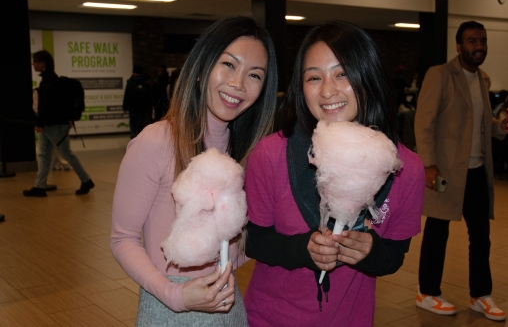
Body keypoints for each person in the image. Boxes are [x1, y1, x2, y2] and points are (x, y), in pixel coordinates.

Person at [244, 21, 424, 327]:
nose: (328, 91)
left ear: (368, 75)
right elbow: (255, 241)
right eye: (314, 77)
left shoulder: (405, 168)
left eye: (342, 74)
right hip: (268, 318)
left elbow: (394, 256)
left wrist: (371, 252)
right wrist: (302, 248)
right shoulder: (270, 154)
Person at [110, 16, 278, 326]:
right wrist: (176, 295)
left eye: (254, 75)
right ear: (202, 67)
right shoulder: (156, 141)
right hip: (168, 303)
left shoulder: (250, 155)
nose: (238, 84)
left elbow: (238, 246)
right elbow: (123, 239)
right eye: (229, 64)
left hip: (227, 303)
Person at [414, 21, 508, 321]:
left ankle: (480, 295)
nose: (478, 46)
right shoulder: (440, 75)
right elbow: (423, 122)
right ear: (459, 46)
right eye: (471, 41)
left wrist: (500, 128)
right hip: (445, 173)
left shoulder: (483, 79)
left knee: (481, 236)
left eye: (482, 40)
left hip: (477, 172)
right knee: (437, 232)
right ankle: (427, 292)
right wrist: (428, 164)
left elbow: (476, 124)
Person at [23, 50, 94, 197]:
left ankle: (86, 180)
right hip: (51, 125)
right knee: (44, 155)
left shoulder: (49, 81)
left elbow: (46, 106)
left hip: (54, 126)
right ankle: (39, 186)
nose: (33, 64)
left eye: (36, 61)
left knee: (66, 154)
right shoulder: (50, 80)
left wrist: (40, 123)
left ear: (43, 63)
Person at [123, 65, 152, 138]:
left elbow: (127, 95)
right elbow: (149, 96)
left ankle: (133, 134)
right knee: (140, 121)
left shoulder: (130, 81)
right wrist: (149, 107)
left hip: (132, 106)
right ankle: (139, 135)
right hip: (142, 106)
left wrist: (125, 107)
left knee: (132, 121)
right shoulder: (145, 81)